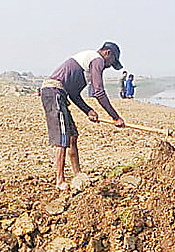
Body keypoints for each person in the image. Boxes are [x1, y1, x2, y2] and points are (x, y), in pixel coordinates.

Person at [41, 42, 125, 190]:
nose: (108, 66)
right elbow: (98, 91)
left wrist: (88, 110)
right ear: (107, 53)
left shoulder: (87, 65)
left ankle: (78, 175)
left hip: (61, 93)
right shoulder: (97, 59)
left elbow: (74, 93)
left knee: (73, 135)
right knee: (63, 137)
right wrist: (115, 117)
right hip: (53, 91)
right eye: (111, 63)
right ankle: (59, 181)